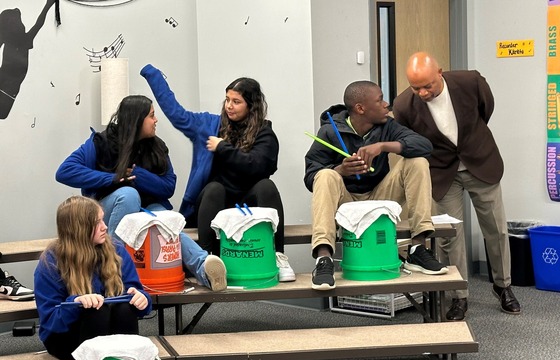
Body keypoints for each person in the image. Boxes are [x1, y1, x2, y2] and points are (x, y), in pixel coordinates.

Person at [392, 51, 521, 320]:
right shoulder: (404, 105)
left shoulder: (471, 82)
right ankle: (458, 296)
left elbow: (485, 111)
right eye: (417, 88)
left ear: (440, 72)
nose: (424, 92)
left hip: (480, 163)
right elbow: (410, 141)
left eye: (428, 85)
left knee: (496, 229)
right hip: (442, 172)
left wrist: (471, 143)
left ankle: (503, 286)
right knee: (451, 238)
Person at [55, 94, 227, 292]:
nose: (156, 121)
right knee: (128, 195)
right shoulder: (101, 142)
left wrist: (138, 175)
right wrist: (113, 178)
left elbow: (168, 186)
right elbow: (64, 171)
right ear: (137, 120)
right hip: (106, 210)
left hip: (146, 209)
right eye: (152, 116)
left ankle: (204, 267)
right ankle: (111, 268)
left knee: (166, 220)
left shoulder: (156, 146)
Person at [141, 64, 296, 282]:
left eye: (236, 101)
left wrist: (223, 148)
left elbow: (258, 166)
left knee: (266, 186)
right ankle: (206, 261)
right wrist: (153, 75)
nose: (229, 106)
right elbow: (177, 114)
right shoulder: (210, 125)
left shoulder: (265, 133)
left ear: (251, 106)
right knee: (214, 188)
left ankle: (278, 255)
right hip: (215, 202)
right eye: (227, 100)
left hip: (248, 203)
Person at [304, 80, 448, 290]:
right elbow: (310, 177)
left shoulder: (387, 126)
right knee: (326, 175)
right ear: (360, 108)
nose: (386, 104)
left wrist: (382, 146)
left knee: (418, 162)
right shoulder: (329, 132)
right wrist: (340, 170)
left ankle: (417, 248)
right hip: (346, 202)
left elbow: (425, 146)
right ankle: (323, 258)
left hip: (380, 197)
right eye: (380, 100)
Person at [34, 196, 165, 360]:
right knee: (96, 310)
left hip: (111, 329)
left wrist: (142, 299)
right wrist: (75, 304)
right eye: (97, 223)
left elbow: (135, 290)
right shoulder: (50, 263)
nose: (105, 227)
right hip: (66, 338)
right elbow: (50, 322)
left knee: (123, 307)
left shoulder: (116, 251)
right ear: (79, 229)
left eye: (103, 220)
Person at [0, 0, 57, 119]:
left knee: (3, 113)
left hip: (9, 86)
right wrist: (47, 6)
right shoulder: (21, 40)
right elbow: (38, 24)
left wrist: (48, 5)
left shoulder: (22, 40)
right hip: (8, 85)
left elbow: (38, 24)